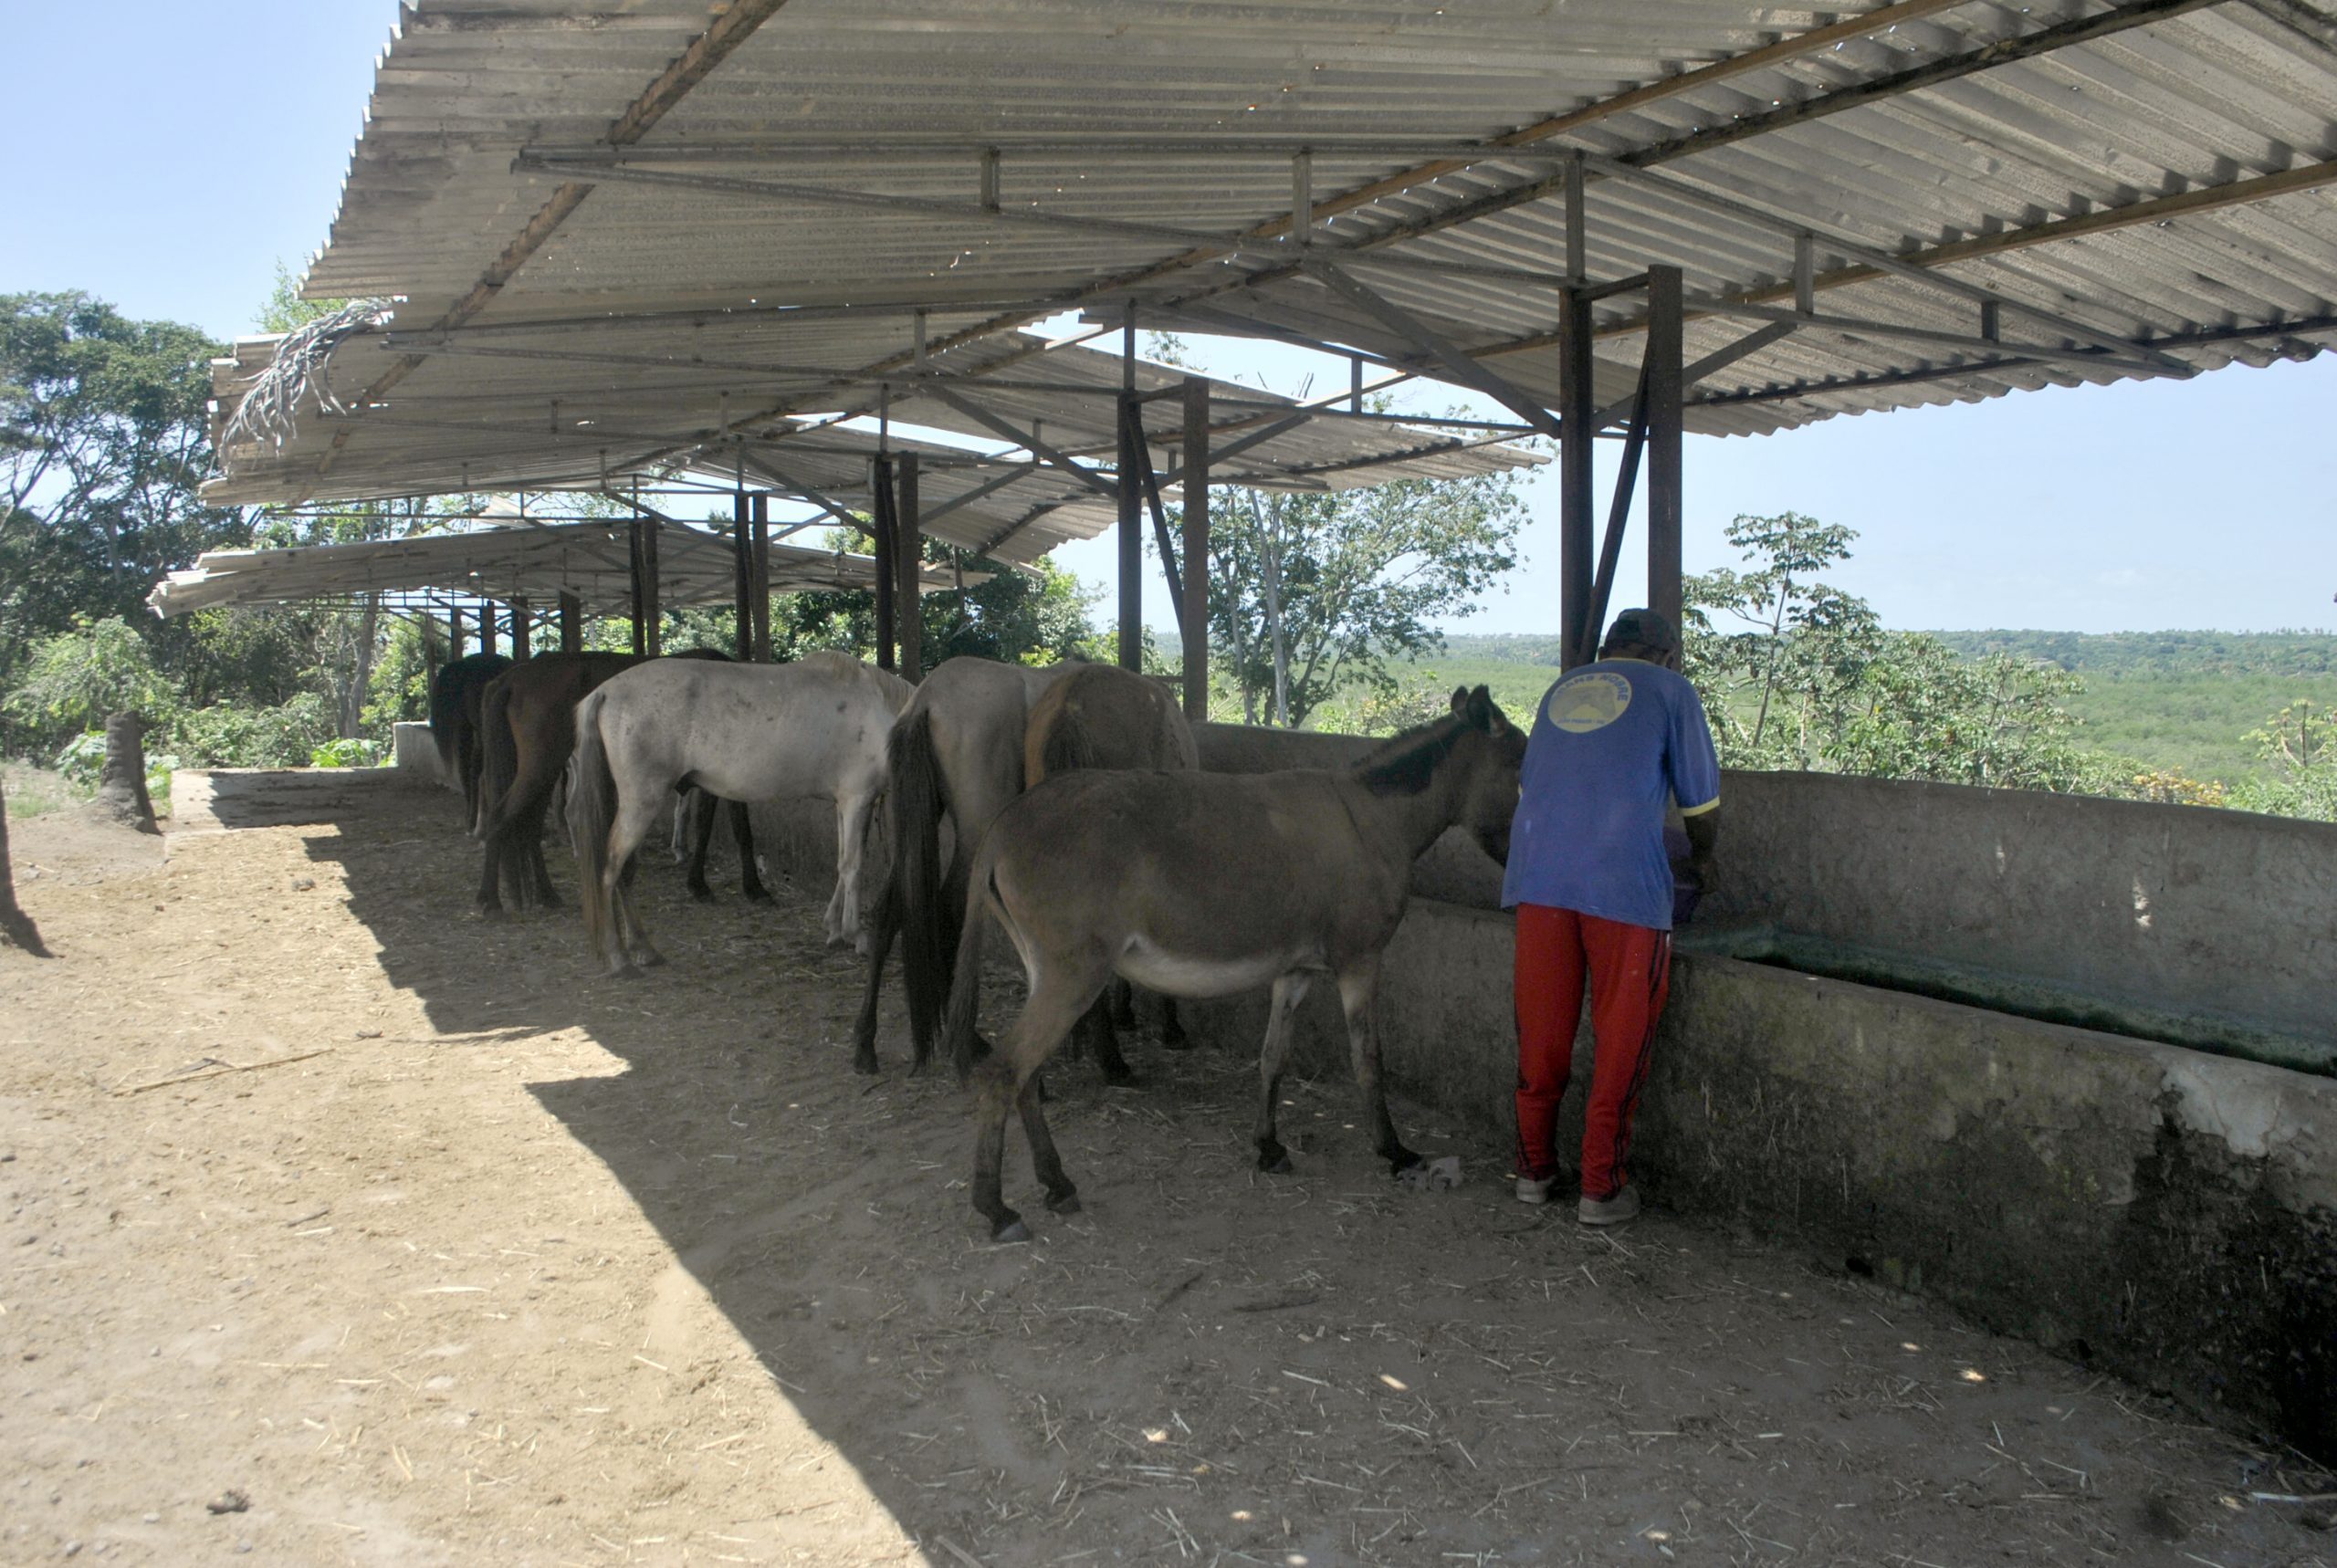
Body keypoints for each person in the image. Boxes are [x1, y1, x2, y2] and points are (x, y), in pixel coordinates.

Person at [1503, 607, 1720, 1226]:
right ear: (1667, 657)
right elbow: (1701, 805)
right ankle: (1601, 1187)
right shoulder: (1673, 691)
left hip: (1539, 881)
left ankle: (1533, 1172)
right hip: (1624, 887)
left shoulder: (1559, 690)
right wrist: (1703, 864)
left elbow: (1539, 788)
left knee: (1542, 1033)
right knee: (1622, 1037)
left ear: (1607, 651)